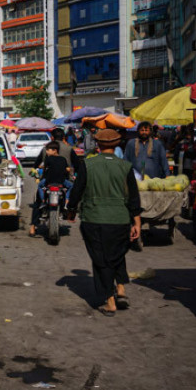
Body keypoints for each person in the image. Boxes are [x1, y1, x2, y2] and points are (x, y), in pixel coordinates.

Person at [66, 129, 142, 317]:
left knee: (101, 260)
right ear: (117, 144)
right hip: (120, 219)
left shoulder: (88, 164)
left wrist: (71, 211)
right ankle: (121, 289)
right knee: (115, 255)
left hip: (94, 218)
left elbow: (77, 191)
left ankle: (109, 301)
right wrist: (137, 223)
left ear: (97, 144)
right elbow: (134, 197)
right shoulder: (125, 166)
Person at [29, 141, 73, 237]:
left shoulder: (48, 158)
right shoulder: (68, 152)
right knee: (71, 187)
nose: (47, 152)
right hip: (61, 182)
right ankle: (67, 201)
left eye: (48, 150)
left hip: (49, 182)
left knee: (38, 198)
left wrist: (38, 171)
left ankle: (34, 223)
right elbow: (71, 168)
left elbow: (43, 168)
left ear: (54, 150)